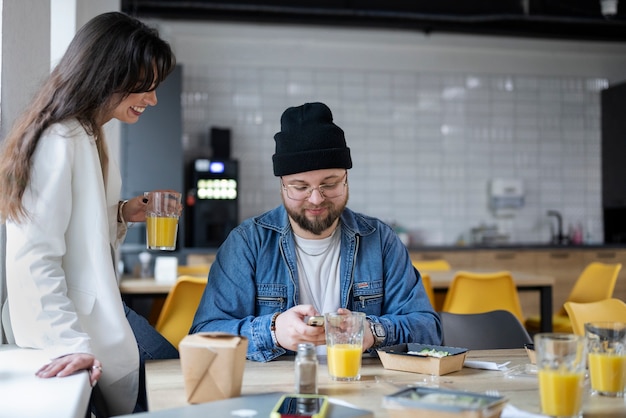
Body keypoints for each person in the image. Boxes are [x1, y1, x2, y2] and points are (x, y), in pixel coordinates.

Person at [0, 12, 179, 416]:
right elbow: (34, 255)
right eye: (145, 86)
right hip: (70, 321)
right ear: (110, 74)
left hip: (96, 309)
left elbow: (75, 225)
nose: (152, 99)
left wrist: (121, 212)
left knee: (176, 378)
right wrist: (68, 343)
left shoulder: (89, 132)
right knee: (175, 382)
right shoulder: (59, 138)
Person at [191, 102, 442, 362]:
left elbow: (429, 331)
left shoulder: (380, 241)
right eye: (300, 187)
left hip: (363, 387)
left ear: (346, 179)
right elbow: (203, 337)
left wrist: (373, 331)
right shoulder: (247, 243)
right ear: (282, 186)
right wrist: (274, 331)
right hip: (276, 393)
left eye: (329, 184)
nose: (315, 199)